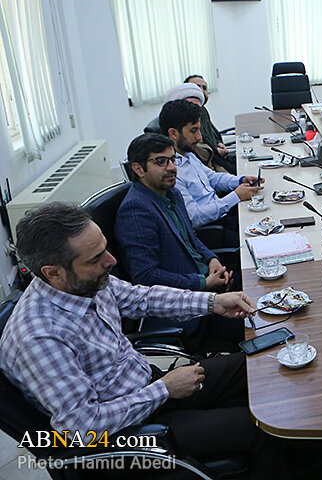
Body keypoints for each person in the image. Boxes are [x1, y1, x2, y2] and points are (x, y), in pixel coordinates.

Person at [0, 202, 294, 480]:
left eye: (105, 249)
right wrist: (164, 389)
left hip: (149, 387)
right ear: (53, 273)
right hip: (131, 433)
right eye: (96, 258)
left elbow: (143, 298)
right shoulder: (39, 336)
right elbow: (83, 426)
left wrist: (212, 302)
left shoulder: (82, 283)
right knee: (262, 428)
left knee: (258, 364)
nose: (111, 261)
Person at [115, 133, 242, 345]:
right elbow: (146, 276)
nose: (172, 167)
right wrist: (203, 283)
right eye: (161, 162)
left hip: (208, 283)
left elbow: (191, 237)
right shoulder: (136, 210)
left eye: (173, 160)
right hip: (187, 312)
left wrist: (212, 260)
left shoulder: (172, 194)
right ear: (138, 169)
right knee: (260, 319)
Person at [159, 99, 262, 229]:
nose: (199, 137)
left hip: (221, 212)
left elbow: (213, 178)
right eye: (193, 131)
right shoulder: (172, 172)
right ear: (173, 133)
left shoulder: (188, 154)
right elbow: (194, 217)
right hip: (212, 228)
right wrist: (236, 196)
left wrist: (240, 180)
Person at [185, 74, 236, 174]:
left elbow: (213, 133)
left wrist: (219, 143)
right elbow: (197, 149)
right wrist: (216, 151)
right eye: (197, 87)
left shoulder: (203, 110)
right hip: (207, 164)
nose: (201, 91)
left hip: (217, 157)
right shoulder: (183, 116)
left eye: (204, 88)